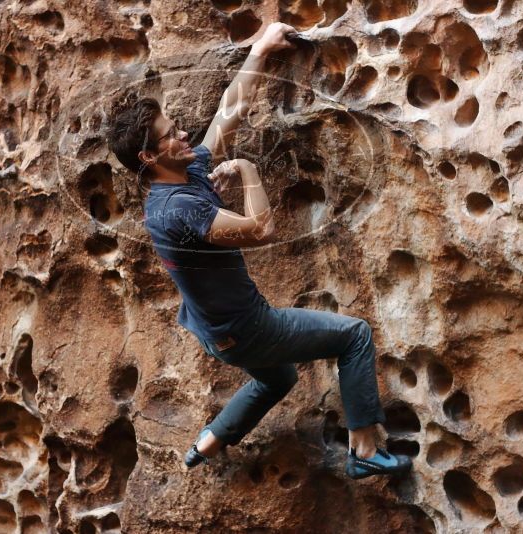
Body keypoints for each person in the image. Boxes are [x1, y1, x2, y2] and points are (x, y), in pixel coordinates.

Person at [106, 22, 412, 480]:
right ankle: (365, 448)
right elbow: (262, 229)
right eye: (171, 133)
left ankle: (208, 442)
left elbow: (229, 112)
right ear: (150, 157)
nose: (184, 134)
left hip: (218, 333)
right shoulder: (177, 209)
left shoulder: (179, 177)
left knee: (278, 378)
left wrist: (263, 48)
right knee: (354, 336)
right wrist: (248, 171)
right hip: (249, 329)